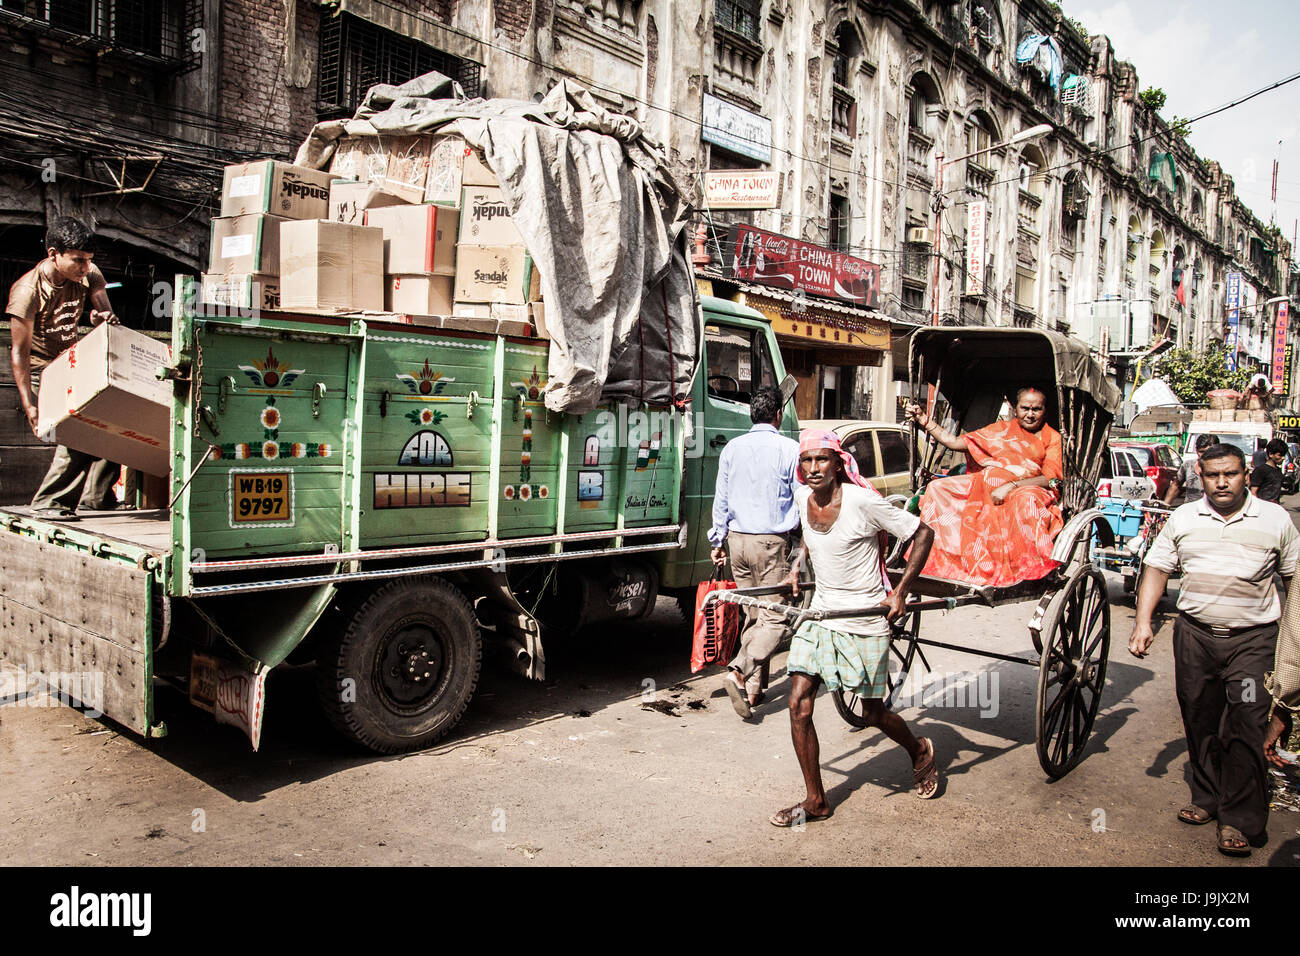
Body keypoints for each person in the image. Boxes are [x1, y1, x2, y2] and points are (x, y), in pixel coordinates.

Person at [1129, 444, 1299, 857]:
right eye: (1212, 475)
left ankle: (1238, 819)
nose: (1222, 482)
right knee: (1199, 716)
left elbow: (1294, 578)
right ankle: (1206, 798)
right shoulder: (1185, 517)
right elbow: (1157, 567)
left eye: (1231, 474)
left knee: (1244, 723)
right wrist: (1142, 622)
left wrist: (1293, 648)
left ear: (1246, 475)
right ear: (1200, 477)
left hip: (1251, 642)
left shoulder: (1275, 519)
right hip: (1195, 637)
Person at [769, 429, 938, 827]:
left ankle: (919, 751)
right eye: (807, 461)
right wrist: (797, 564)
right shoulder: (801, 498)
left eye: (822, 460)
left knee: (874, 713)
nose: (813, 469)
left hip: (864, 618)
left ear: (838, 462)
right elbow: (811, 537)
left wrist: (900, 592)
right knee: (798, 703)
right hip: (824, 614)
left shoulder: (862, 501)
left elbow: (923, 533)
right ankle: (816, 801)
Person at [6, 217, 121, 520]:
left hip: (71, 360)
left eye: (89, 261)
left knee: (114, 413)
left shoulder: (90, 274)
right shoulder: (27, 292)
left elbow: (108, 317)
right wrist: (29, 403)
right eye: (78, 260)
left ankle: (97, 497)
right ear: (54, 253)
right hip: (40, 370)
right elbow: (18, 351)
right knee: (77, 429)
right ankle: (49, 502)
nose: (85, 267)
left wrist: (100, 320)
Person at [904, 386, 1061, 588]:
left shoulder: (1052, 437)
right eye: (1025, 408)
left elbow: (1049, 478)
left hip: (1027, 489)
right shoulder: (1001, 429)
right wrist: (923, 419)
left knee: (1026, 500)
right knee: (937, 488)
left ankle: (1020, 566)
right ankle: (949, 559)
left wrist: (1010, 486)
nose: (1030, 414)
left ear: (1044, 411)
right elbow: (954, 442)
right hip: (984, 485)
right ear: (1015, 408)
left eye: (1036, 409)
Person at [708, 384, 799, 718]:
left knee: (755, 615)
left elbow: (722, 498)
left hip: (738, 542)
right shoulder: (790, 449)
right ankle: (739, 670)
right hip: (771, 544)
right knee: (776, 618)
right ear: (778, 414)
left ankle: (753, 690)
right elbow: (801, 499)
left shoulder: (733, 448)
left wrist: (717, 541)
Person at [1162, 433, 1218, 506]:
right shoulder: (1188, 465)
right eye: (1202, 452)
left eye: (1209, 451)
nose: (1206, 455)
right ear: (1196, 450)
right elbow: (1176, 486)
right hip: (1191, 511)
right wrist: (1165, 505)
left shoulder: (1223, 468)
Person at [1249, 438, 1286, 503]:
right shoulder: (1261, 470)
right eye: (1280, 455)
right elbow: (1253, 492)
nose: (1283, 458)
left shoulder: (1278, 471)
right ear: (1271, 454)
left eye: (1284, 455)